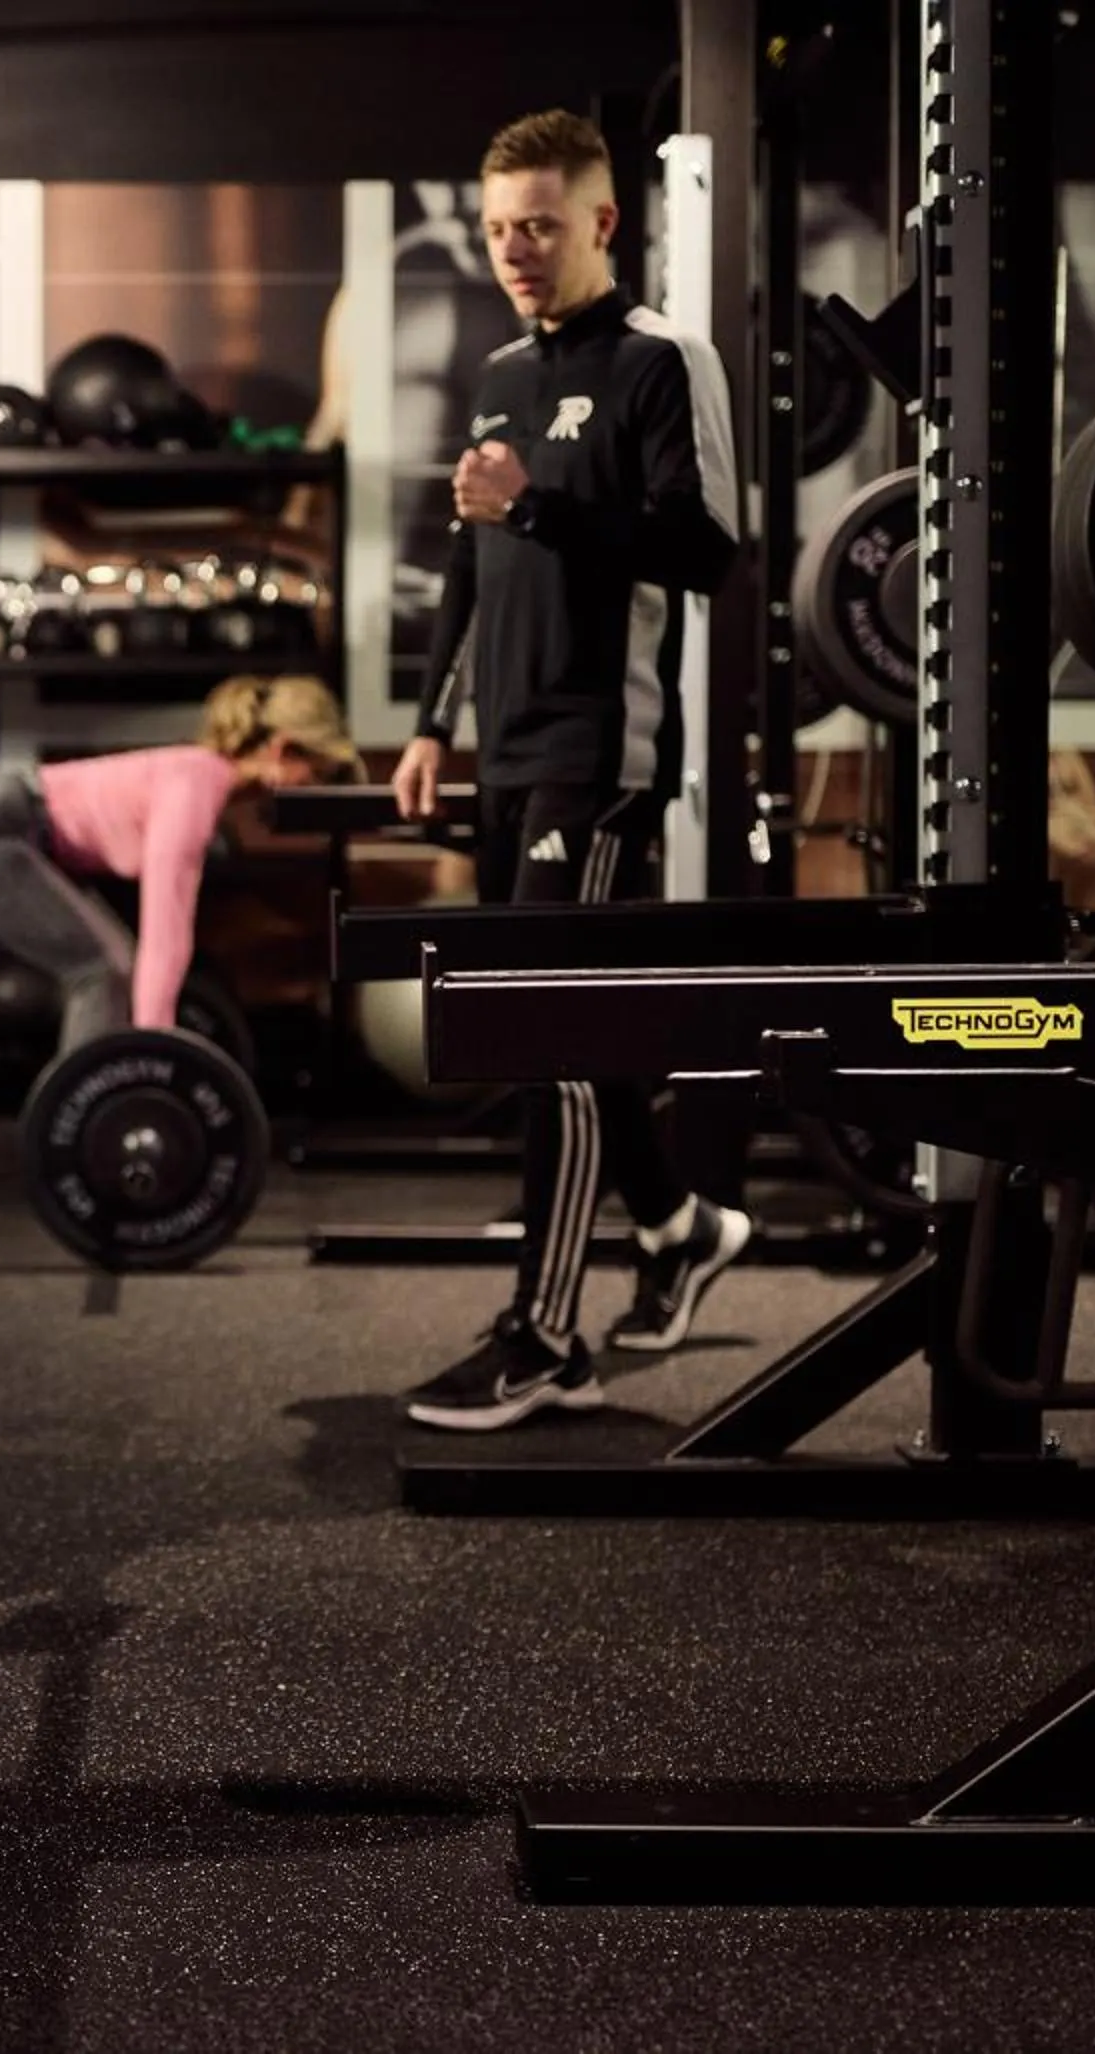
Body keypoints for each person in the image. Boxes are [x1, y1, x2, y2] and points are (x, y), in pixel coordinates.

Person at [387, 109, 756, 1432]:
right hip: (507, 747)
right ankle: (676, 1221)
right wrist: (432, 721)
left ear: (603, 221)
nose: (515, 252)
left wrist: (535, 502)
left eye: (539, 225)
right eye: (497, 230)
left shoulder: (665, 364)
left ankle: (548, 1337)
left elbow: (707, 550)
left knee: (549, 1028)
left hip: (605, 754)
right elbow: (469, 565)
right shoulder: (497, 373)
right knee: (548, 1018)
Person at [0, 671, 361, 1055]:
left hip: (22, 827)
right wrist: (156, 1052)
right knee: (102, 970)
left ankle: (96, 1104)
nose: (313, 786)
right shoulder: (197, 785)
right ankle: (86, 1114)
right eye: (316, 772)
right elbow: (166, 928)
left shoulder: (201, 778)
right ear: (281, 750)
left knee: (114, 962)